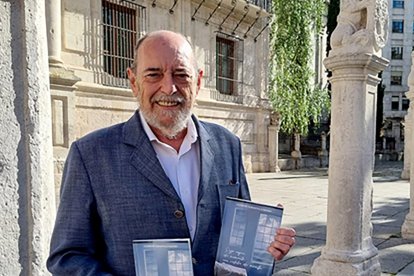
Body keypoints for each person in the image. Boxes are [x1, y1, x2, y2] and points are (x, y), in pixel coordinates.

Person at [47, 30, 296, 275]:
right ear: (134, 82)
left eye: (181, 75)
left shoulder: (227, 144)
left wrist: (265, 248)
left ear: (198, 82)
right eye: (154, 75)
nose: (169, 87)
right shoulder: (91, 154)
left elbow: (239, 239)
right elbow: (67, 257)